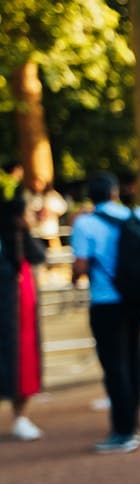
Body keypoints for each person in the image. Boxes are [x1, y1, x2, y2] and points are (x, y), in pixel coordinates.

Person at [71, 172, 140, 453]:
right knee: (132, 359)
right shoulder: (132, 216)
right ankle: (133, 420)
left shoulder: (85, 223)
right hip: (135, 299)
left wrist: (76, 277)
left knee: (114, 366)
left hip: (105, 300)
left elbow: (80, 265)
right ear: (114, 192)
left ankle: (124, 430)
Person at [1, 179, 46, 441]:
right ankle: (20, 417)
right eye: (28, 213)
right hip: (13, 316)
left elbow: (39, 254)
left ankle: (20, 416)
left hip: (22, 317)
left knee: (22, 362)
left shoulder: (22, 246)